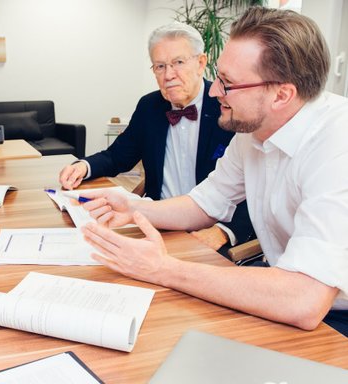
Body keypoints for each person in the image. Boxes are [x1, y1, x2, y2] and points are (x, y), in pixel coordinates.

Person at [81, 7, 348, 335]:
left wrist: (163, 269)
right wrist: (134, 206)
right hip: (284, 291)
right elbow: (204, 203)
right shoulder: (252, 130)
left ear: (282, 95)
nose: (213, 91)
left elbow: (303, 301)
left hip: (331, 315)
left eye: (228, 84)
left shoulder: (338, 144)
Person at [58, 22, 254, 255]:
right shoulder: (149, 106)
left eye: (178, 63)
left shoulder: (229, 108)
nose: (169, 75)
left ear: (201, 63)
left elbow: (254, 189)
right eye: (160, 66)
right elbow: (118, 156)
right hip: (156, 223)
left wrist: (223, 231)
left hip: (211, 231)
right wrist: (84, 165)